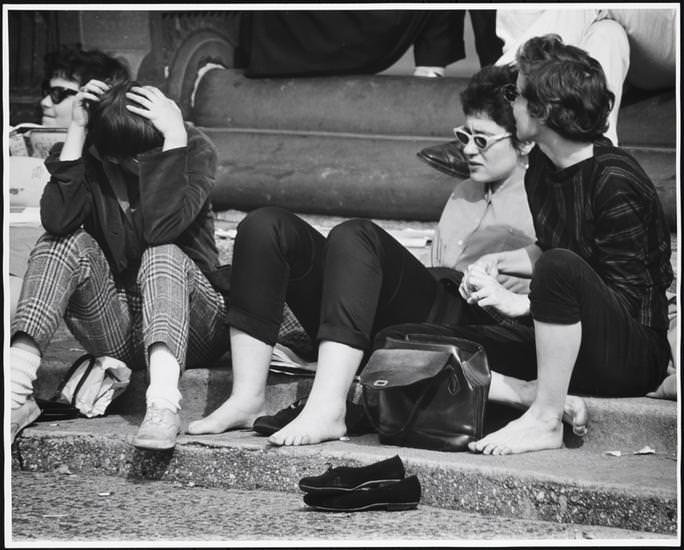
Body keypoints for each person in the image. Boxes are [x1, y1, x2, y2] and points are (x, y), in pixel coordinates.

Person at [186, 64, 567, 445]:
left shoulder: (543, 197)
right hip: (412, 315)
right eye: (463, 135)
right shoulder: (464, 193)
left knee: (356, 236)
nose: (468, 149)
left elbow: (559, 295)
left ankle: (327, 408)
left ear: (525, 141)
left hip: (473, 326)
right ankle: (246, 397)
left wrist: (508, 294)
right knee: (264, 226)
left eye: (481, 140)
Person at [386, 34, 671, 455]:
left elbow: (622, 300)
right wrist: (495, 265)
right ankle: (522, 392)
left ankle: (545, 419)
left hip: (628, 358)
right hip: (559, 342)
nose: (511, 104)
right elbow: (554, 247)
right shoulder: (541, 163)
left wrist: (523, 305)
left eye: (516, 97)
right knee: (403, 338)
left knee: (557, 266)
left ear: (544, 110)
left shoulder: (615, 180)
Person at [10, 79, 230, 451]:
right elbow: (58, 219)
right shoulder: (96, 156)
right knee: (58, 243)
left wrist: (174, 138)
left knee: (161, 253)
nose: (155, 154)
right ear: (112, 156)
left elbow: (162, 230)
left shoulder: (191, 147)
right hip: (119, 324)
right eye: (143, 156)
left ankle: (163, 405)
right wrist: (77, 131)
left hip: (193, 322)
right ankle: (14, 394)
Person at [10, 47, 131, 319]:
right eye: (46, 91)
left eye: (58, 94)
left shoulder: (104, 158)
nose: (44, 102)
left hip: (39, 255)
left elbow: (60, 220)